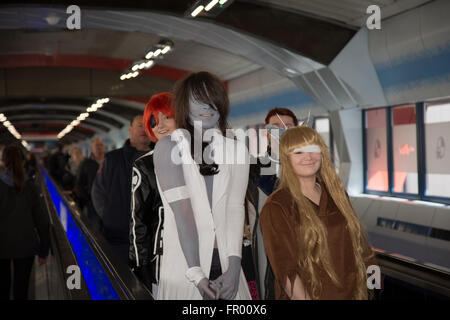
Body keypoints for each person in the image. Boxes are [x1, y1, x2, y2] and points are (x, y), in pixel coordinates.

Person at [153, 71, 251, 300]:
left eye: (212, 98)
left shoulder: (237, 149)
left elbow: (236, 208)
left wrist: (235, 266)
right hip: (184, 266)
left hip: (227, 262)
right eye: (198, 99)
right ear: (184, 105)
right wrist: (197, 274)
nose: (207, 105)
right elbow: (182, 213)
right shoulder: (168, 147)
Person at [259, 126, 377, 300]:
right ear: (286, 158)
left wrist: (373, 289)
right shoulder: (277, 205)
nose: (308, 157)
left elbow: (363, 248)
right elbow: (286, 273)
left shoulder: (337, 194)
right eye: (298, 152)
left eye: (313, 149)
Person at [129, 92, 177, 296]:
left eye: (167, 117)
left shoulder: (200, 159)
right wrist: (139, 267)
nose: (161, 125)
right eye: (154, 120)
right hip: (163, 259)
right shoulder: (145, 165)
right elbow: (137, 219)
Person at [248, 107, 298, 299]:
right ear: (266, 132)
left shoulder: (310, 167)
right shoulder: (253, 169)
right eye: (275, 126)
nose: (282, 130)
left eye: (288, 125)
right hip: (263, 247)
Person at [91, 115, 152, 265]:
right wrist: (109, 216)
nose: (144, 129)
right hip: (119, 238)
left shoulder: (160, 158)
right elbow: (97, 191)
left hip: (151, 239)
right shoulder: (112, 159)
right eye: (139, 125)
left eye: (148, 124)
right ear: (130, 130)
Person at [0, 144, 50, 300]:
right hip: (26, 246)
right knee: (21, 289)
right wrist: (44, 250)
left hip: (1, 245)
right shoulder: (31, 186)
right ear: (23, 162)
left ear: (3, 162)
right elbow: (42, 219)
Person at [76, 138, 105, 230]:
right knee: (95, 227)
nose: (99, 148)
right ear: (91, 148)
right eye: (96, 145)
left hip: (109, 201)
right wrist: (86, 198)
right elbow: (79, 183)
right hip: (92, 201)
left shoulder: (110, 161)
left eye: (101, 145)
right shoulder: (86, 164)